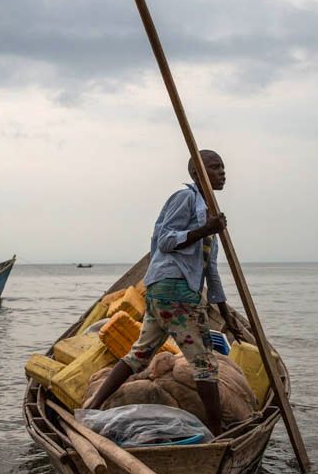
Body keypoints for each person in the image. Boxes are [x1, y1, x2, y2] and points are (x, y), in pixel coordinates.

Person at [83, 149, 233, 435]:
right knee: (204, 364)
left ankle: (94, 405)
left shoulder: (210, 213)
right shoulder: (186, 198)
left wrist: (224, 311)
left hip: (165, 291)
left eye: (223, 167)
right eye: (215, 167)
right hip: (174, 288)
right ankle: (217, 431)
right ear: (196, 173)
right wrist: (204, 230)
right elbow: (165, 240)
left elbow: (209, 268)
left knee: (139, 355)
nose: (223, 172)